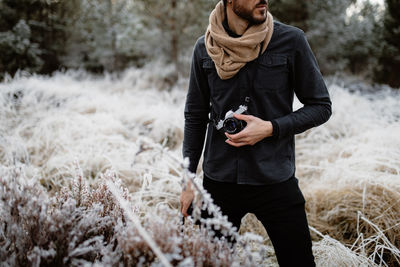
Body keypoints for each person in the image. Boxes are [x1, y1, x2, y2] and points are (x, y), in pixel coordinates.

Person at [181, 0, 332, 266]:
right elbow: (195, 116)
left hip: (275, 178)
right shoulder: (204, 48)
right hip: (219, 182)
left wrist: (271, 128)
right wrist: (188, 180)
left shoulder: (291, 40)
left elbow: (321, 107)